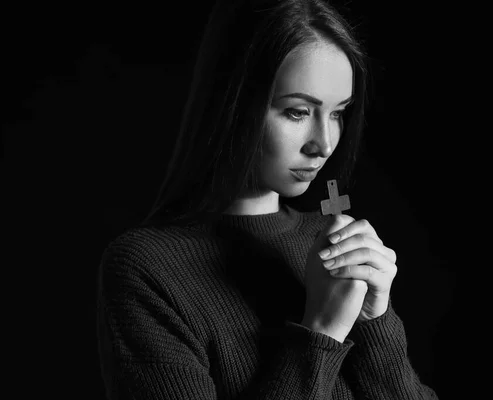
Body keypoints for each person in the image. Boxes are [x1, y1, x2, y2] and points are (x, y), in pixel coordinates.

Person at [96, 0, 439, 398]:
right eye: (297, 112)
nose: (323, 144)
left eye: (338, 113)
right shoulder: (148, 270)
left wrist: (376, 322)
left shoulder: (330, 243)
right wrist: (321, 331)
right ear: (234, 103)